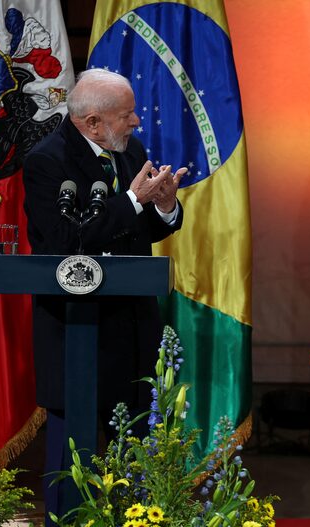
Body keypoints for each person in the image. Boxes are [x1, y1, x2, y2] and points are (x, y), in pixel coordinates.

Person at [22, 69, 187, 525]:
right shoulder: (46, 161)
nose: (137, 121)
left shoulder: (128, 150)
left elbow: (137, 231)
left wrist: (164, 207)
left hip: (133, 327)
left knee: (133, 447)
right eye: (127, 114)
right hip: (77, 330)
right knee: (73, 453)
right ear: (93, 123)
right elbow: (66, 242)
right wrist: (133, 201)